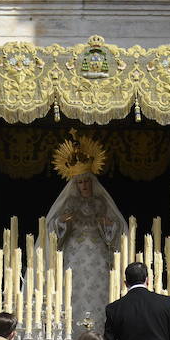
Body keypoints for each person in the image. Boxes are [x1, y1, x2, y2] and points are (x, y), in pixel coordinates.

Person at [45, 136, 124, 328]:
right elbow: (53, 227)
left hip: (97, 255)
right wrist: (61, 222)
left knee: (99, 290)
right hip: (75, 254)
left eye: (87, 182)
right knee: (75, 290)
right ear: (75, 185)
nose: (84, 186)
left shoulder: (101, 202)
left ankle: (99, 330)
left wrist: (107, 224)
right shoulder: (69, 203)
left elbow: (118, 228)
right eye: (80, 183)